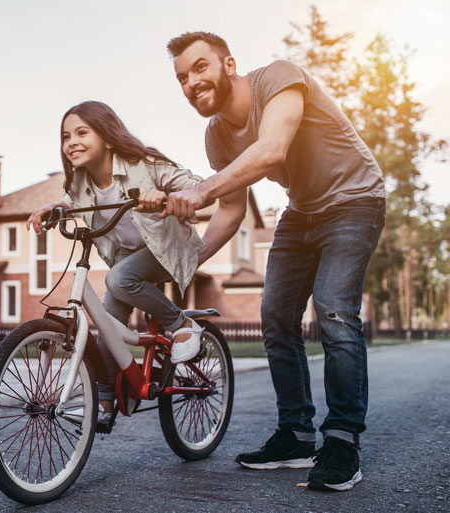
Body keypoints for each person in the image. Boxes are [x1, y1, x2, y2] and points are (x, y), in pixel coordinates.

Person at [163, 32, 386, 491]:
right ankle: (297, 434)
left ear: (228, 64)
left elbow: (272, 149)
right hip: (303, 209)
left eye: (200, 68)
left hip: (356, 199)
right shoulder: (217, 135)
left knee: (334, 309)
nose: (191, 82)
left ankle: (342, 440)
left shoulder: (279, 79)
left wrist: (200, 189)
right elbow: (231, 210)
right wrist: (190, 260)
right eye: (182, 77)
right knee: (275, 315)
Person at [26, 100, 205, 423]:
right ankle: (105, 401)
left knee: (119, 279)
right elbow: (70, 200)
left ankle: (183, 325)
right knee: (108, 326)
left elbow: (196, 185)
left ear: (108, 137)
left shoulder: (144, 163)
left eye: (82, 132)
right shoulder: (79, 180)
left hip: (166, 248)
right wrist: (51, 208)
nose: (72, 142)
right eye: (66, 136)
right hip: (126, 258)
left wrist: (163, 196)